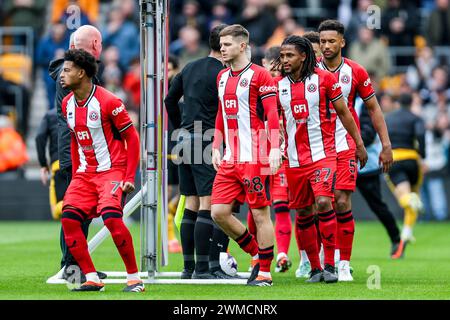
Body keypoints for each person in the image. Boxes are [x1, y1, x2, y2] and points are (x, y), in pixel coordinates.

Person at [275, 35, 367, 283]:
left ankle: (330, 265)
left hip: (322, 156)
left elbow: (344, 113)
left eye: (289, 55)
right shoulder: (278, 86)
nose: (284, 60)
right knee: (304, 212)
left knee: (325, 202)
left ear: (303, 56)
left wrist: (358, 144)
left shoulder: (324, 79)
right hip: (293, 161)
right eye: (282, 56)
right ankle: (314, 268)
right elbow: (272, 120)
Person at [60, 49, 143, 292]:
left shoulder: (109, 101)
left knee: (111, 218)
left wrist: (129, 177)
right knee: (69, 220)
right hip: (84, 175)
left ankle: (134, 278)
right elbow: (76, 140)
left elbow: (132, 137)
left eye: (66, 70)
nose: (62, 76)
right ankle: (92, 277)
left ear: (81, 73)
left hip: (112, 172)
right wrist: (76, 175)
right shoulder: (67, 104)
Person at [317, 20, 393, 281]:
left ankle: (343, 263)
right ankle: (319, 261)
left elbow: (374, 109)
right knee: (318, 204)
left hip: (346, 143)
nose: (326, 46)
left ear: (342, 43)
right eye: (322, 41)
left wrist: (386, 145)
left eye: (331, 41)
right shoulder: (309, 70)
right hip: (314, 146)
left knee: (340, 200)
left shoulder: (356, 71)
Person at [211, 24, 282, 287]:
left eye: (227, 44)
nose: (222, 48)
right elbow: (221, 113)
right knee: (218, 212)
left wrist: (274, 147)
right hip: (231, 157)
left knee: (260, 213)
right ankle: (256, 252)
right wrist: (217, 145)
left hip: (255, 156)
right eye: (221, 44)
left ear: (242, 46)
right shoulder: (221, 77)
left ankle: (264, 272)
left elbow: (272, 113)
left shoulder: (260, 75)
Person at [164, 24, 234, 280]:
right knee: (209, 203)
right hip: (206, 140)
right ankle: (204, 269)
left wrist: (180, 126)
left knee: (191, 202)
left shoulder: (190, 66)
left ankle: (189, 268)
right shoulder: (224, 74)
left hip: (183, 138)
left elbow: (169, 100)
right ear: (224, 45)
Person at [48, 25, 105, 281]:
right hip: (75, 149)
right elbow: (73, 115)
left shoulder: (77, 70)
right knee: (75, 211)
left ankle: (78, 264)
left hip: (80, 149)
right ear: (94, 44)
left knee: (81, 212)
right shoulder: (70, 73)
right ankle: (70, 266)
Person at [354, 97, 403, 258]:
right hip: (340, 163)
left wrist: (345, 144)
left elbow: (368, 133)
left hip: (365, 165)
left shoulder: (364, 103)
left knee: (377, 205)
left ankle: (396, 239)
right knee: (331, 204)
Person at [385, 93, 426, 255]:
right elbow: (421, 135)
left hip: (394, 158)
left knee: (403, 197)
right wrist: (423, 155)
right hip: (412, 159)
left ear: (397, 104)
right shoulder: (416, 118)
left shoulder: (389, 118)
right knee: (413, 197)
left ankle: (410, 200)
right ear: (410, 104)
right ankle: (407, 232)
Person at [35, 108, 65, 220]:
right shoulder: (81, 109)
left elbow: (39, 137)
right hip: (81, 165)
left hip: (59, 164)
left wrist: (43, 164)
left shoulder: (50, 115)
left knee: (56, 211)